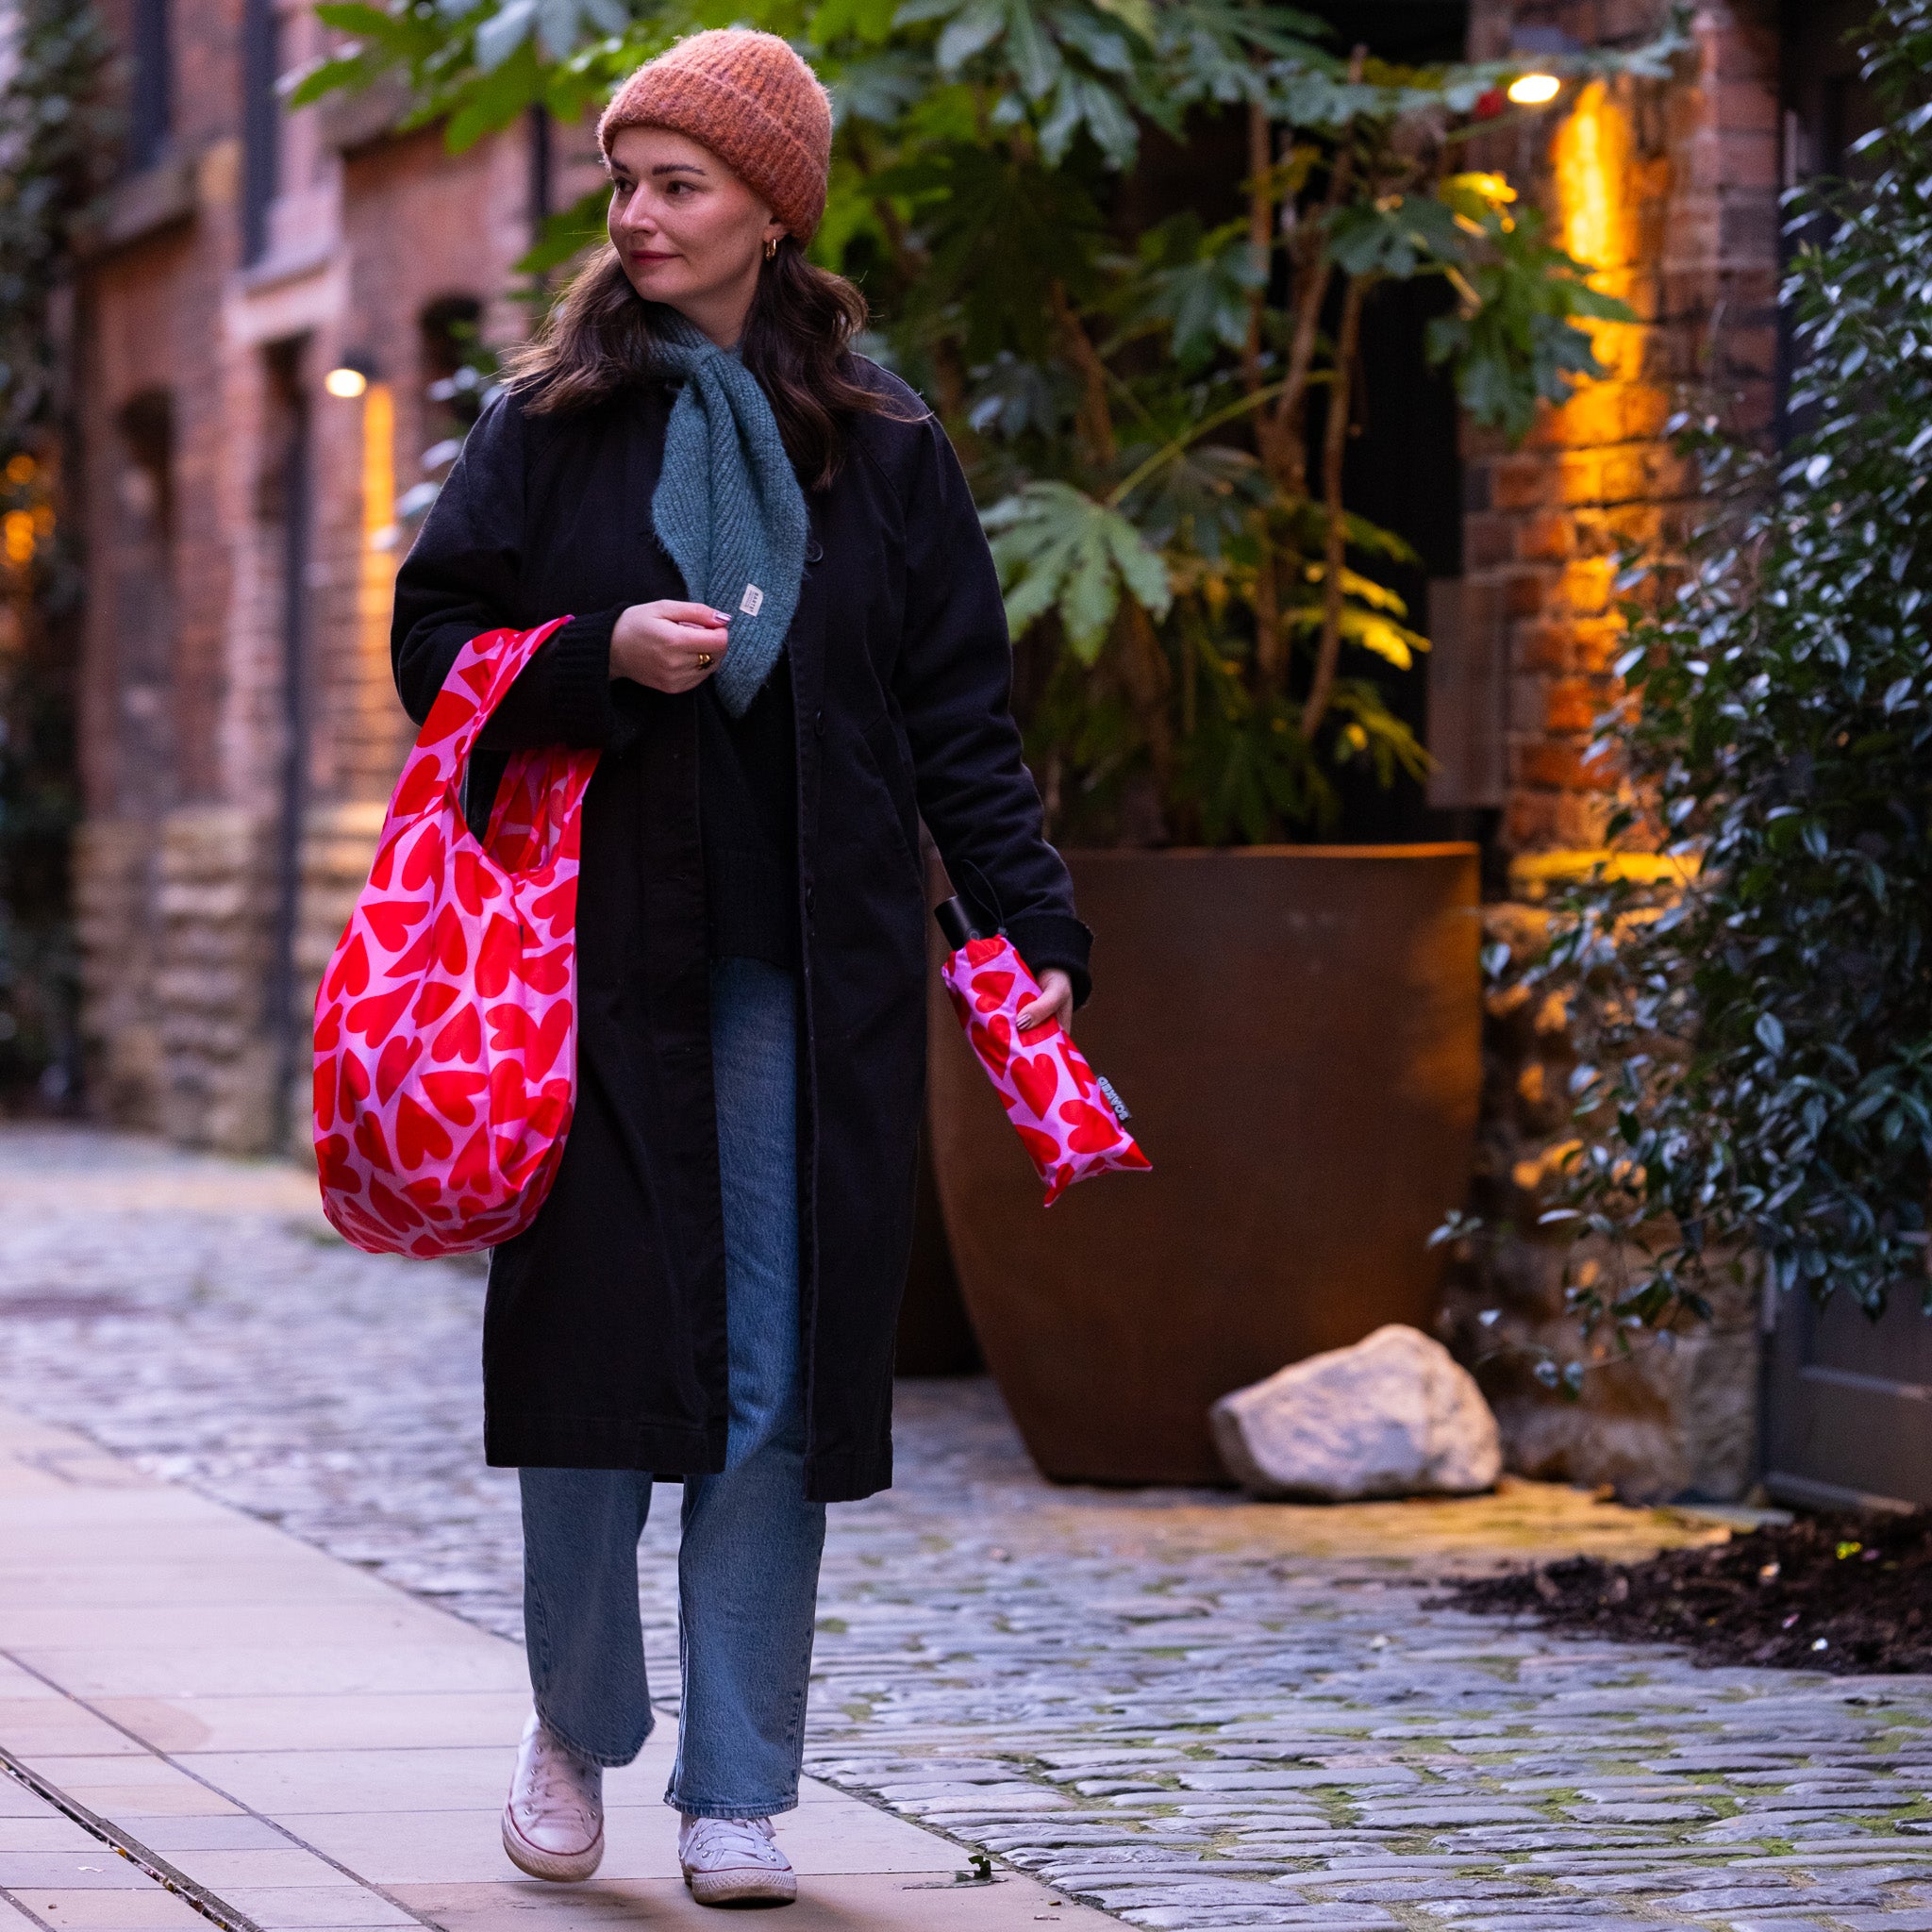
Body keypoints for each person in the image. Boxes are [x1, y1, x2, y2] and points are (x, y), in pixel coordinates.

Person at [389, 27, 1091, 1910]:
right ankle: (572, 1723)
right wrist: (599, 649)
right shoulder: (552, 424)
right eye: (623, 182)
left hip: (809, 972)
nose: (636, 215)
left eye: (676, 183)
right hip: (592, 970)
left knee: (775, 1379)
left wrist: (1031, 931)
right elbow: (433, 637)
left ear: (771, 210)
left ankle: (738, 1786)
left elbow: (961, 723)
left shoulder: (884, 446)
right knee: (593, 1368)